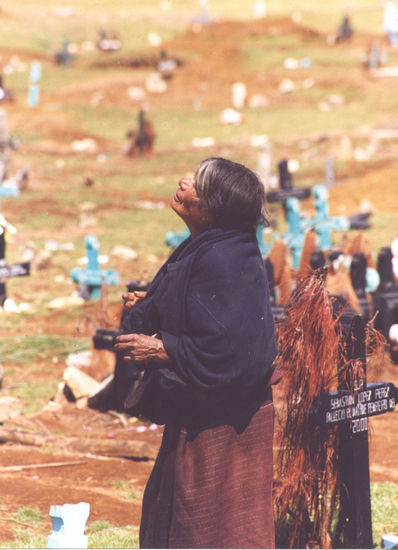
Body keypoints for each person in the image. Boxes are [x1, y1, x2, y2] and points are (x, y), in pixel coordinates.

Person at [115, 156, 279, 549]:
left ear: (211, 209)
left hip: (228, 420)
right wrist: (155, 301)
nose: (183, 181)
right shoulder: (207, 247)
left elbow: (233, 349)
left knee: (217, 523)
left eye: (196, 184)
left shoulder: (224, 258)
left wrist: (162, 348)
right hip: (202, 407)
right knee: (178, 512)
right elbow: (204, 309)